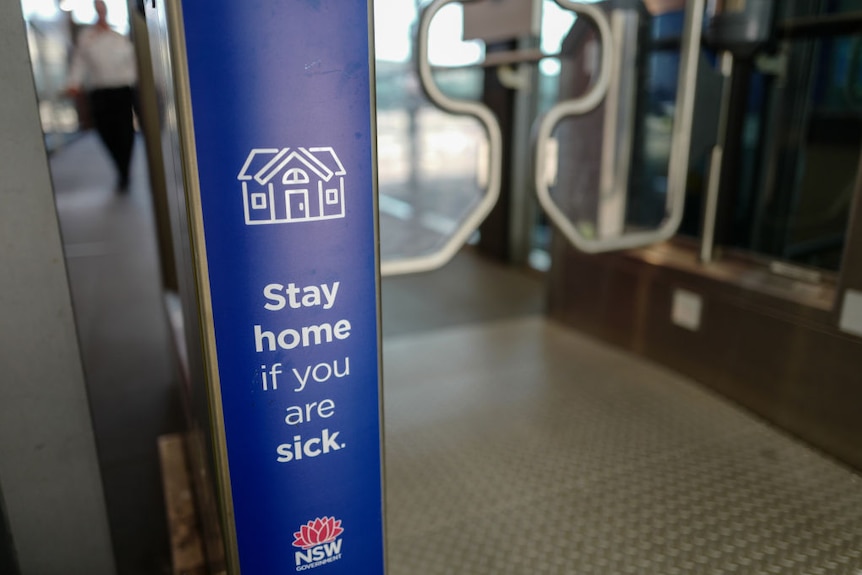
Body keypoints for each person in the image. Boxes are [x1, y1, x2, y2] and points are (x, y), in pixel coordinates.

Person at [67, 0, 137, 191]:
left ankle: (125, 170)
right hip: (99, 92)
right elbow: (79, 63)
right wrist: (74, 83)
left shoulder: (119, 37)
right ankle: (120, 166)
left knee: (125, 132)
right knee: (105, 132)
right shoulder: (87, 38)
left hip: (122, 90)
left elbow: (132, 64)